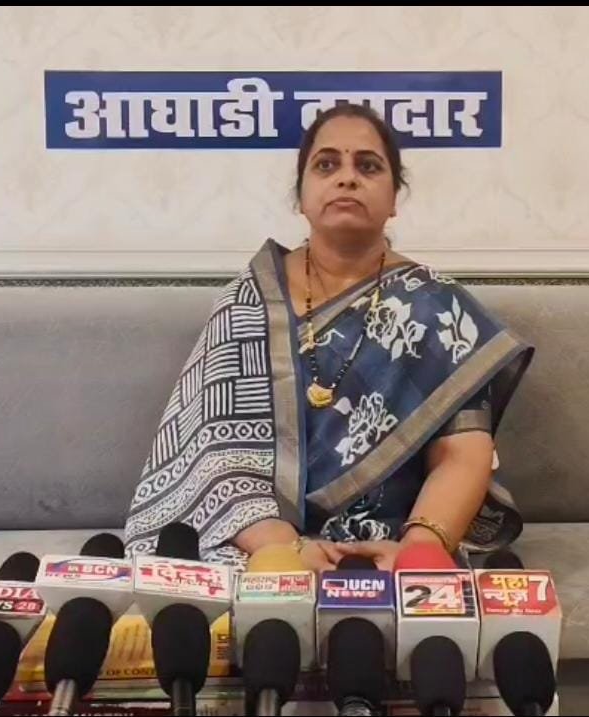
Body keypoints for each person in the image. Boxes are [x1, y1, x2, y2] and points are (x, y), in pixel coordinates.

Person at [124, 103, 533, 572]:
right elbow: (218, 455)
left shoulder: (435, 306)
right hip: (263, 545)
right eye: (326, 165)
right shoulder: (249, 302)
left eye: (368, 166)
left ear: (394, 198)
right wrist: (285, 546)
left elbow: (462, 454)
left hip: (394, 542)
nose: (347, 178)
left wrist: (420, 545)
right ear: (301, 196)